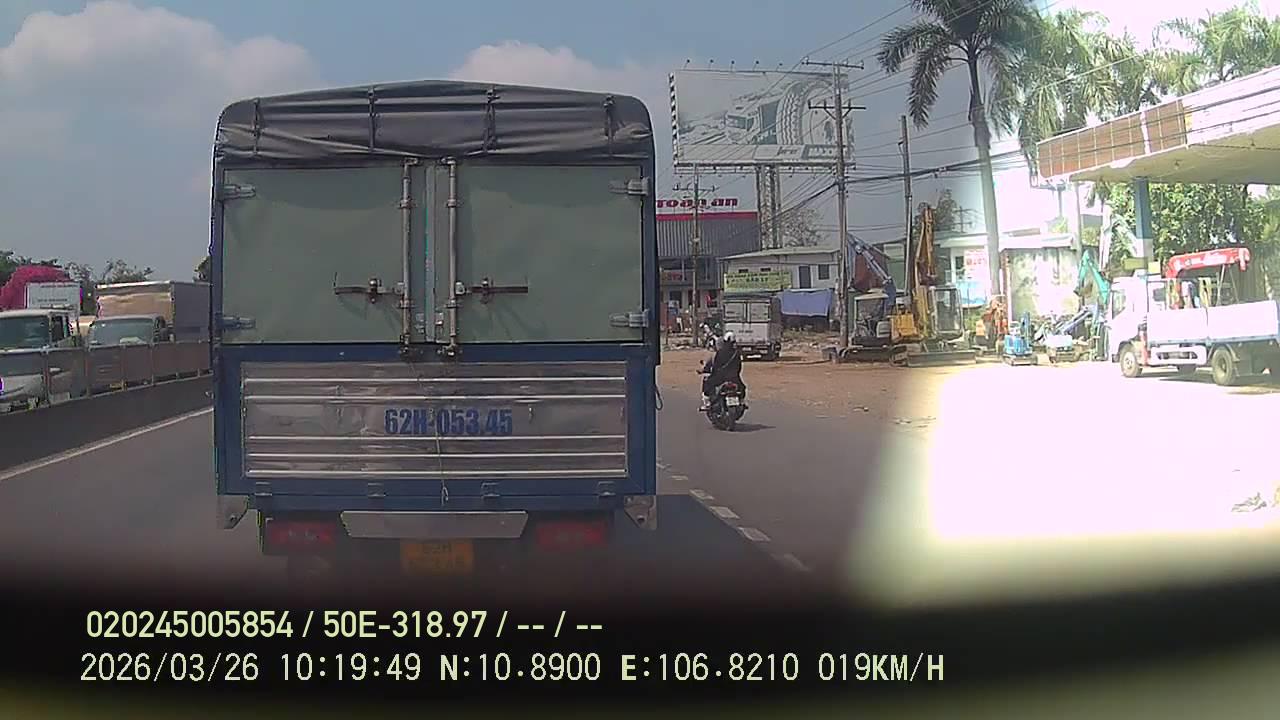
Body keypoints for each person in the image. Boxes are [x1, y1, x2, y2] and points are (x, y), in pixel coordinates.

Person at [700, 331, 745, 410]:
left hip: (720, 377)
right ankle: (741, 401)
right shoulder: (736, 353)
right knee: (742, 387)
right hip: (734, 377)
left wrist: (710, 371)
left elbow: (715, 365)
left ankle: (707, 403)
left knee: (707, 383)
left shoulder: (720, 353)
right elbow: (739, 366)